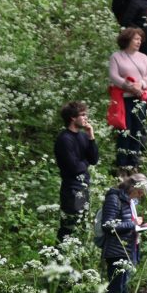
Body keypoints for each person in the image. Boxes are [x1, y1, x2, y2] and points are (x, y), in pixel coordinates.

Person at [99, 173, 147, 293]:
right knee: (116, 289)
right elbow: (107, 225)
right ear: (132, 187)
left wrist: (142, 226)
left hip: (129, 249)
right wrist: (133, 224)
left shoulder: (130, 201)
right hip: (117, 251)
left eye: (142, 193)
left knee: (124, 288)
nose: (141, 195)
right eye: (140, 191)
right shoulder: (114, 198)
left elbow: (129, 224)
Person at [108, 28, 147, 169]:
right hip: (123, 100)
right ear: (127, 39)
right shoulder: (116, 56)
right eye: (136, 39)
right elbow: (114, 76)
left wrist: (142, 85)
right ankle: (121, 166)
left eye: (140, 39)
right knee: (124, 132)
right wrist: (128, 86)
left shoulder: (143, 57)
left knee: (137, 132)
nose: (139, 42)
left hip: (140, 99)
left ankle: (134, 165)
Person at [54, 101, 99, 242]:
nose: (86, 118)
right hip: (71, 190)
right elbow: (74, 167)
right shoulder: (64, 139)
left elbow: (94, 159)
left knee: (82, 225)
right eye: (83, 115)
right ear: (73, 118)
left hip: (84, 186)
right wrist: (85, 162)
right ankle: (58, 259)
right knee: (69, 227)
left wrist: (91, 136)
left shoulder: (83, 136)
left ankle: (76, 257)